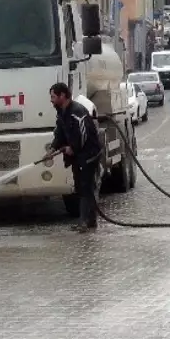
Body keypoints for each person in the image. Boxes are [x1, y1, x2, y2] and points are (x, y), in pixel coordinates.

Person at [48, 82, 103, 233]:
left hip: (89, 155)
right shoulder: (62, 112)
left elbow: (83, 133)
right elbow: (60, 132)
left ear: (62, 96)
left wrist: (73, 148)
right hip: (79, 156)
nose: (51, 100)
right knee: (81, 187)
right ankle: (90, 221)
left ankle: (84, 222)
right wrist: (52, 148)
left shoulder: (77, 112)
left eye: (53, 97)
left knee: (85, 187)